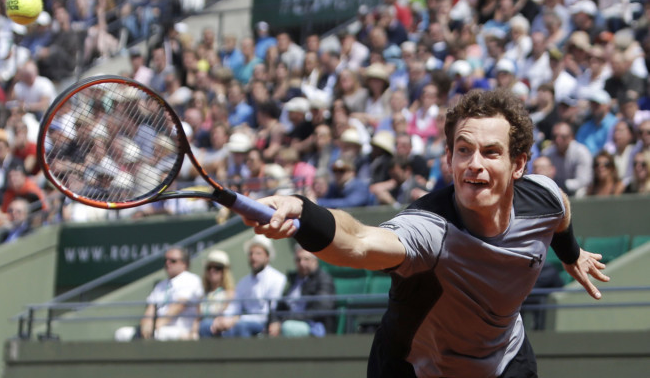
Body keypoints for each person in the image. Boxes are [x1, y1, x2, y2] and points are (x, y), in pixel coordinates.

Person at [244, 89, 608, 377]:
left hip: (504, 360)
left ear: (519, 164)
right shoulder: (430, 228)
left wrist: (570, 252)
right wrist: (304, 210)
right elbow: (357, 242)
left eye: (491, 152)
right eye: (463, 151)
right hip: (416, 367)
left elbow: (562, 208)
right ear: (449, 158)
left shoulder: (543, 197)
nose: (474, 164)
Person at [201, 235, 286, 338]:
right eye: (251, 254)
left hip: (262, 324)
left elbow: (269, 312)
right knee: (206, 326)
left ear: (267, 257)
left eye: (258, 253)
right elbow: (234, 307)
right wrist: (223, 320)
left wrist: (235, 319)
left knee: (239, 326)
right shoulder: (243, 282)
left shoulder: (278, 279)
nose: (253, 257)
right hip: (242, 322)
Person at [115, 247, 203, 341]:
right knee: (122, 333)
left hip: (181, 329)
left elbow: (178, 306)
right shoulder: (161, 285)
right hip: (158, 327)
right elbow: (151, 308)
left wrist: (154, 326)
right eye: (166, 260)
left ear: (184, 264)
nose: (167, 263)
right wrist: (145, 324)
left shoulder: (191, 279)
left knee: (158, 335)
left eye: (173, 261)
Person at [268, 244, 336, 338]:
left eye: (306, 259)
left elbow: (320, 309)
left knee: (287, 327)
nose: (302, 263)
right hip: (287, 321)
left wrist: (284, 321)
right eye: (298, 260)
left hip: (315, 325)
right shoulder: (292, 280)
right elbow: (280, 306)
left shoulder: (324, 279)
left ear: (315, 261)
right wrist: (274, 321)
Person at [192, 249, 236, 339]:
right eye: (209, 267)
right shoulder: (202, 295)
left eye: (217, 268)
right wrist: (193, 333)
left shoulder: (230, 294)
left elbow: (228, 316)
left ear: (224, 271)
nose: (212, 271)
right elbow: (197, 319)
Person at [542, 122, 593, 196]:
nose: (558, 140)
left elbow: (584, 181)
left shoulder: (581, 152)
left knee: (581, 192)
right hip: (554, 190)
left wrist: (563, 184)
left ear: (571, 137)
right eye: (555, 136)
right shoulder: (547, 153)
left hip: (575, 192)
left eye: (563, 137)